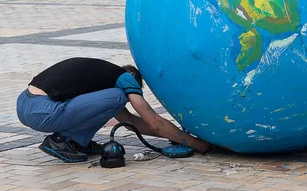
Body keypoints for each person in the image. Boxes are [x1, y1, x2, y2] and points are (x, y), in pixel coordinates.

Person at [16, 57, 210, 163]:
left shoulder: (100, 77)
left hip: (25, 103)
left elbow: (131, 122)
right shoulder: (122, 79)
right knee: (117, 96)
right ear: (132, 75)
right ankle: (61, 141)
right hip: (43, 110)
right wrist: (197, 143)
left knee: (114, 100)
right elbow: (154, 122)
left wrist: (176, 137)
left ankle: (76, 142)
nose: (132, 94)